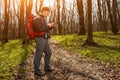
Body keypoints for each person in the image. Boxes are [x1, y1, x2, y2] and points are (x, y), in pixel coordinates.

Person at [33, 6, 55, 76]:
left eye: (49, 13)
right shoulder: (37, 18)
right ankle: (36, 70)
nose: (48, 14)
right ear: (43, 11)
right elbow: (39, 28)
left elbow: (45, 29)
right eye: (47, 13)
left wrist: (50, 26)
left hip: (44, 38)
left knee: (48, 52)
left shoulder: (43, 19)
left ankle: (47, 67)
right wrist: (48, 26)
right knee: (39, 54)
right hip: (39, 39)